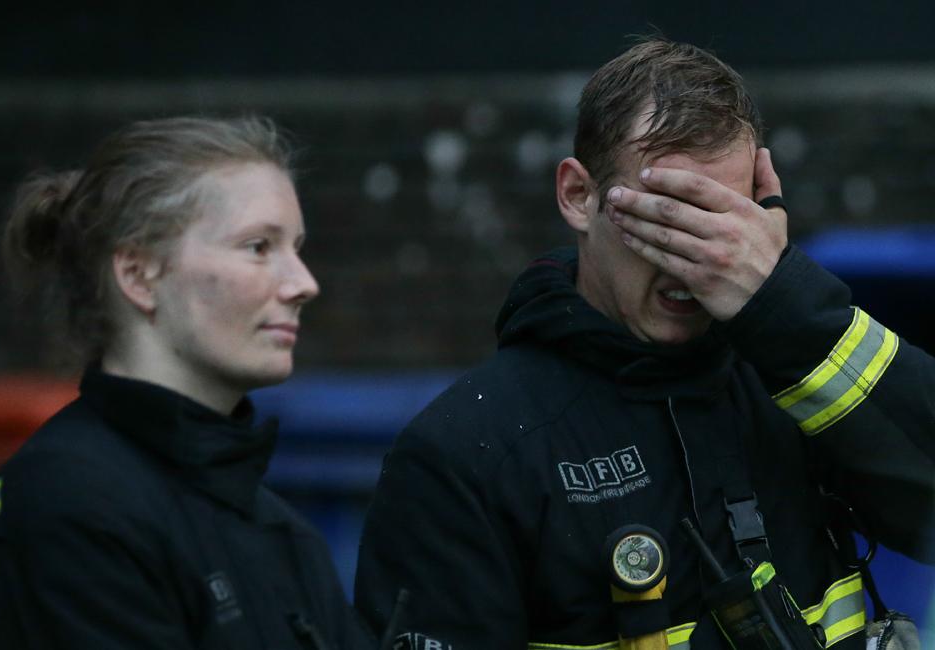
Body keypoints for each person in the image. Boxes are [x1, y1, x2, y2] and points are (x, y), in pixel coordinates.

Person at [354, 39, 935, 649]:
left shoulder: (795, 381)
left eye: (725, 224)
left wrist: (785, 304)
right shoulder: (464, 457)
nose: (696, 263)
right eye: (667, 218)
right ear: (579, 196)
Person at [0, 116, 375, 649]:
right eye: (258, 247)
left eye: (296, 247)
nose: (303, 284)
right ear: (138, 275)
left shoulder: (280, 531)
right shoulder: (66, 508)